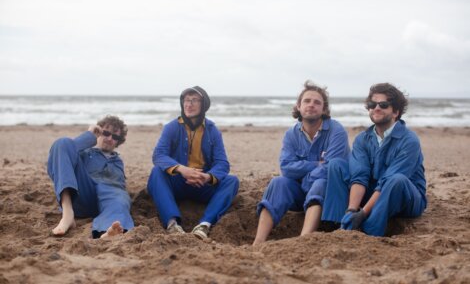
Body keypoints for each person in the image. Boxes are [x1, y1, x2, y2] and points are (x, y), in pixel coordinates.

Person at [322, 83, 427, 236]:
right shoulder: (362, 139)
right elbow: (359, 176)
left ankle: (371, 231)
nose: (376, 108)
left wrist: (363, 213)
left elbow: (388, 180)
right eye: (372, 104)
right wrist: (352, 210)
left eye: (383, 105)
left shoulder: (409, 140)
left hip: (406, 197)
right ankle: (340, 225)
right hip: (373, 192)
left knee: (396, 179)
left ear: (395, 112)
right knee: (336, 165)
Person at [252, 81, 350, 245]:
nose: (311, 105)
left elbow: (330, 168)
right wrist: (316, 164)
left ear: (324, 109)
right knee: (278, 182)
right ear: (298, 106)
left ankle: (302, 241)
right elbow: (286, 168)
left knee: (319, 182)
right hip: (302, 194)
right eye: (307, 101)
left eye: (317, 102)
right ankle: (258, 242)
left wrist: (305, 176)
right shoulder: (291, 134)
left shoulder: (336, 130)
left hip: (330, 194)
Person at [147, 86, 239, 239]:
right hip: (177, 181)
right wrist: (182, 169)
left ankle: (204, 225)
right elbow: (159, 155)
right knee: (156, 172)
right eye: (186, 100)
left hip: (201, 184)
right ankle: (172, 224)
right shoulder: (171, 127)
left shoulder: (212, 130)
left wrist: (207, 177)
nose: (189, 104)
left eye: (194, 100)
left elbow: (222, 163)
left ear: (204, 105)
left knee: (232, 181)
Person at [47, 115, 134, 238]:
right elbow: (64, 150)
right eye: (106, 133)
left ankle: (108, 231)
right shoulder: (85, 152)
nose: (109, 138)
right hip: (85, 193)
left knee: (120, 198)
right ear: (99, 133)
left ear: (118, 141)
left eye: (115, 137)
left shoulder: (118, 161)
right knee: (62, 142)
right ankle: (67, 214)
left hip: (110, 197)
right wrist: (90, 135)